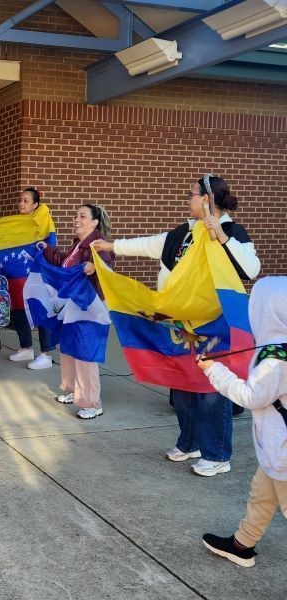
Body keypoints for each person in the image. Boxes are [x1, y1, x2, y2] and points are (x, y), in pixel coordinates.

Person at [93, 175, 260, 474]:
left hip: (214, 325)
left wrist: (221, 238)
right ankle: (189, 442)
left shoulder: (231, 232)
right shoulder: (184, 232)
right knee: (182, 384)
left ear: (206, 199)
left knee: (211, 390)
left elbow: (251, 269)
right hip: (181, 323)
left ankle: (217, 455)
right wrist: (110, 245)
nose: (187, 199)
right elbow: (150, 245)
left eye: (191, 194)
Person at [197, 277, 287, 567]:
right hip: (275, 450)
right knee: (262, 495)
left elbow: (251, 396)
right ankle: (242, 545)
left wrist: (213, 370)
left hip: (282, 452)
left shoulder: (274, 360)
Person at [41, 205, 114, 419]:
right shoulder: (78, 245)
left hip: (88, 308)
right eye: (76, 216)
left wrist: (95, 267)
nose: (77, 220)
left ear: (95, 222)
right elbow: (64, 263)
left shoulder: (97, 245)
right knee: (69, 349)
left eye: (83, 216)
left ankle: (92, 402)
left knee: (84, 353)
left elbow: (107, 266)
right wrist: (47, 249)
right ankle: (73, 390)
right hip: (72, 308)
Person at [8, 188, 56, 370]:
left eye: (26, 200)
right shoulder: (17, 222)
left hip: (36, 273)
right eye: (20, 200)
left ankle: (46, 354)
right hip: (18, 272)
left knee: (40, 309)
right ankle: (26, 348)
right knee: (19, 307)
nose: (21, 203)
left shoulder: (43, 223)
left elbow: (51, 247)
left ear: (35, 204)